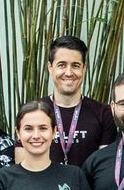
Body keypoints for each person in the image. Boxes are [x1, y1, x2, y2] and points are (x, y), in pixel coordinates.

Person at [46, 34, 117, 167]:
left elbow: (105, 167)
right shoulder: (35, 111)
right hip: (43, 186)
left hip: (87, 187)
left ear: (84, 69)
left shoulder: (103, 113)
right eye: (61, 65)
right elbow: (24, 171)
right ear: (50, 67)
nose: (68, 72)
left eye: (76, 66)